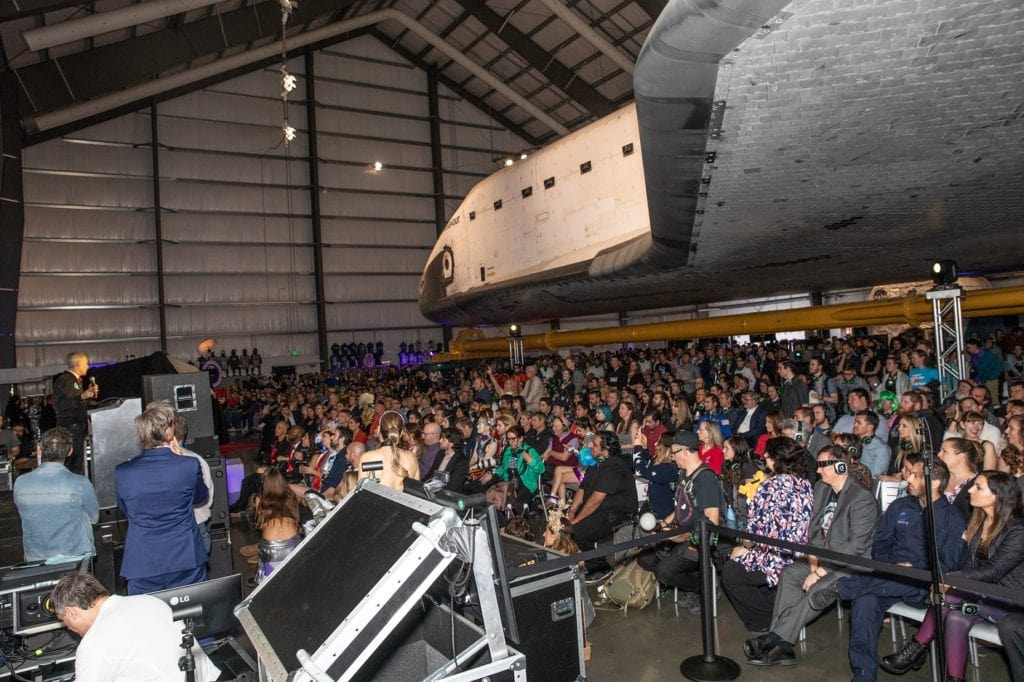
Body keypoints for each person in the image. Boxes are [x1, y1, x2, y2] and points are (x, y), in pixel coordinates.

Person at [815, 456, 966, 682]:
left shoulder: (952, 519)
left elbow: (950, 564)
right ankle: (864, 674)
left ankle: (844, 587)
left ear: (934, 482)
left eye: (915, 475)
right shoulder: (900, 506)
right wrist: (893, 565)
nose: (908, 479)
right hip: (887, 577)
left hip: (924, 585)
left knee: (882, 584)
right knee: (865, 602)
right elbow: (880, 544)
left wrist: (916, 567)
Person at [882, 471, 1024, 682]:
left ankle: (917, 646)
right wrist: (950, 580)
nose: (970, 491)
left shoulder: (1017, 530)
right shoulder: (979, 521)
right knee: (956, 615)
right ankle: (954, 678)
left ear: (997, 496)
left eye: (978, 487)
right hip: (978, 601)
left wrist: (948, 579)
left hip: (1007, 602)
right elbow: (969, 564)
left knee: (950, 597)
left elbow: (994, 571)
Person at [744, 446, 880, 667]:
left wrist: (822, 572)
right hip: (824, 560)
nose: (818, 471)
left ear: (840, 466)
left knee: (819, 588)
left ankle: (774, 639)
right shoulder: (821, 489)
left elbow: (855, 548)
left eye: (823, 465)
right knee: (789, 574)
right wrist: (815, 565)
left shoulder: (862, 499)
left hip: (852, 566)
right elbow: (813, 531)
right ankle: (783, 647)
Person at [50, 572, 219, 682]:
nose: (71, 630)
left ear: (71, 612)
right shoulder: (149, 601)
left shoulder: (93, 645)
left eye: (65, 623)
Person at [115, 400, 209, 594]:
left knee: (147, 619)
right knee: (191, 614)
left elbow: (126, 510)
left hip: (142, 562)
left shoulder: (123, 471)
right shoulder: (189, 465)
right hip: (185, 556)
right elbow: (201, 497)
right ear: (169, 433)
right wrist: (180, 458)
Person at [722, 437, 815, 633]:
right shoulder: (806, 484)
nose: (763, 456)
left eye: (768, 453)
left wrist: (743, 549)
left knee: (730, 571)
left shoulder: (768, 487)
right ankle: (778, 611)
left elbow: (756, 530)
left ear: (778, 459)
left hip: (776, 556)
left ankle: (764, 620)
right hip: (802, 555)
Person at [637, 430, 723, 611]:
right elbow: (679, 509)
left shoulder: (705, 478)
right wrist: (664, 525)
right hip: (680, 532)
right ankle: (693, 582)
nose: (673, 458)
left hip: (697, 540)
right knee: (645, 559)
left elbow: (712, 521)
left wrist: (681, 536)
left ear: (685, 452)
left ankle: (704, 586)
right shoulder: (684, 475)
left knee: (664, 572)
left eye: (674, 453)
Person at [13, 427, 99, 561]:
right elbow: (94, 517)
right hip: (75, 557)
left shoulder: (20, 483)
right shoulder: (80, 483)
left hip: (36, 558)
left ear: (40, 450)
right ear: (69, 451)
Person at [569, 431, 638, 577]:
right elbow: (583, 489)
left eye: (594, 444)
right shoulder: (595, 463)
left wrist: (576, 520)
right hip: (600, 508)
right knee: (568, 525)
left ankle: (600, 568)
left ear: (605, 449)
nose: (590, 446)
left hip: (618, 511)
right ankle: (588, 560)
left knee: (577, 531)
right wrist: (572, 511)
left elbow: (596, 500)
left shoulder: (614, 466)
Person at [252, 467, 302, 585]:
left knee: (272, 581)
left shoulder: (260, 498)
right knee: (293, 577)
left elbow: (260, 525)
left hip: (272, 547)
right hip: (293, 543)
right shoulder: (290, 495)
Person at [173, 414, 214, 556]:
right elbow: (207, 498)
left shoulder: (153, 464)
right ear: (184, 433)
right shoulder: (195, 459)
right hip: (196, 526)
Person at [53, 352, 98, 474]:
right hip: (70, 427)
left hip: (76, 427)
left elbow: (74, 402)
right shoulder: (65, 379)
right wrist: (82, 396)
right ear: (78, 364)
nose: (88, 367)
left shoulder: (76, 381)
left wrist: (86, 397)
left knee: (77, 462)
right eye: (86, 363)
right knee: (72, 463)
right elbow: (61, 404)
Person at [359, 411, 419, 491]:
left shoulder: (368, 457)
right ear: (401, 433)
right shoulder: (411, 457)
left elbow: (361, 493)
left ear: (379, 429)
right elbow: (416, 493)